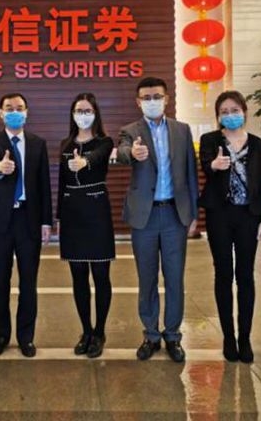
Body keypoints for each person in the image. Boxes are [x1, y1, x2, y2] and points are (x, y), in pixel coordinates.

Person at [117, 76, 198, 362]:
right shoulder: (130, 131)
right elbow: (122, 152)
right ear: (138, 102)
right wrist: (132, 153)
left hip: (175, 214)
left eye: (157, 97)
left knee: (175, 278)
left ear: (166, 99)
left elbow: (190, 173)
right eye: (146, 98)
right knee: (147, 277)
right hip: (145, 216)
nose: (152, 101)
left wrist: (193, 214)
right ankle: (151, 334)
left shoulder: (182, 130)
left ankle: (173, 335)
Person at [0, 92, 53, 358]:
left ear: (27, 112)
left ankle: (26, 337)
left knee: (28, 282)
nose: (14, 112)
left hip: (28, 220)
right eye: (9, 108)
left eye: (19, 108)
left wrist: (46, 221)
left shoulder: (37, 143)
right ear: (1, 113)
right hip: (0, 221)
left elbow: (44, 184)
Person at [198, 91, 261, 364]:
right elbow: (206, 167)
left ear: (244, 111)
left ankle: (245, 337)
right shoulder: (210, 140)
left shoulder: (258, 145)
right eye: (224, 111)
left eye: (234, 110)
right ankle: (228, 336)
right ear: (218, 116)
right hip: (220, 215)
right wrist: (214, 165)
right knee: (223, 273)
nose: (230, 115)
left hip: (248, 215)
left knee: (246, 275)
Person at [57, 93, 115, 359]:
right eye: (79, 110)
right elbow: (62, 183)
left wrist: (85, 161)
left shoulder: (104, 142)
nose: (83, 115)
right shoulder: (65, 144)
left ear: (95, 113)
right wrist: (59, 217)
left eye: (87, 110)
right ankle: (86, 331)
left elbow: (99, 156)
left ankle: (100, 332)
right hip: (72, 214)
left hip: (97, 211)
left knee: (101, 275)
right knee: (78, 275)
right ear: (72, 114)